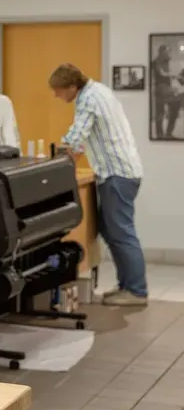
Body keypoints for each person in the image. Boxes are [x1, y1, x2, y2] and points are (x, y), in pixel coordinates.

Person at [49, 63, 146, 307]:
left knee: (121, 232)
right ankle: (126, 286)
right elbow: (81, 143)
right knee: (110, 228)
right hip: (120, 173)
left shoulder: (89, 99)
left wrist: (54, 163)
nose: (56, 95)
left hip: (117, 174)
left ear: (73, 87)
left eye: (58, 90)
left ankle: (136, 290)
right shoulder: (99, 91)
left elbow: (75, 139)